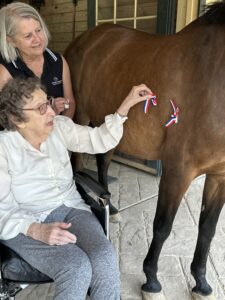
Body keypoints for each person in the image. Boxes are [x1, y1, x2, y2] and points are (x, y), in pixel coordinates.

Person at [0, 77, 153, 300]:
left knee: (104, 257)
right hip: (24, 221)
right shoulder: (3, 149)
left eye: (49, 103)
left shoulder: (60, 128)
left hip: (71, 208)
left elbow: (98, 140)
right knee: (76, 267)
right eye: (41, 108)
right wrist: (37, 230)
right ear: (17, 119)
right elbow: (3, 211)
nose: (52, 112)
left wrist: (126, 105)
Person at [0, 1, 75, 119]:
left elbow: (70, 104)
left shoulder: (58, 61)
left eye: (39, 30)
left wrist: (62, 131)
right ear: (11, 41)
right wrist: (50, 112)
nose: (37, 39)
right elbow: (10, 121)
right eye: (28, 36)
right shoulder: (5, 73)